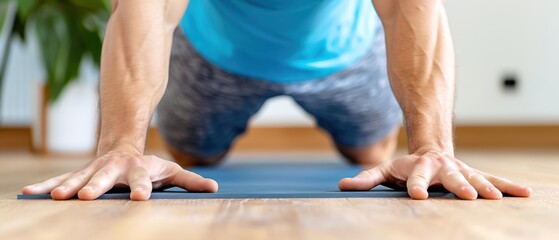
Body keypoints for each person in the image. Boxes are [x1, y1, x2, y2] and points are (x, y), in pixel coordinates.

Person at [22, 0, 531, 201]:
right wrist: (120, 145)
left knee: (377, 159)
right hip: (215, 57)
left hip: (344, 56)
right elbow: (146, 9)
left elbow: (409, 5)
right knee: (194, 157)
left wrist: (433, 145)